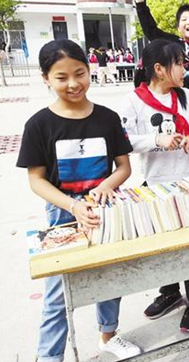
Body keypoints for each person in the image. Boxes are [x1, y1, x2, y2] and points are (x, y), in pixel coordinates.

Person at [16, 39, 141, 360]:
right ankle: (49, 356)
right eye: (61, 77)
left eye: (80, 73)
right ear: (45, 78)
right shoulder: (39, 125)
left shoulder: (107, 118)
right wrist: (73, 205)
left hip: (105, 211)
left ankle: (108, 335)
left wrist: (105, 187)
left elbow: (123, 167)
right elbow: (36, 180)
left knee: (110, 280)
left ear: (89, 70)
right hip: (63, 215)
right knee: (58, 294)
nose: (73, 83)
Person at [119, 39, 189, 332]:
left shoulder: (188, 97)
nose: (185, 67)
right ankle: (170, 291)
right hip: (156, 184)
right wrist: (156, 140)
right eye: (179, 63)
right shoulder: (134, 101)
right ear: (159, 69)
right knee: (163, 245)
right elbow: (123, 140)